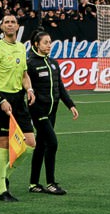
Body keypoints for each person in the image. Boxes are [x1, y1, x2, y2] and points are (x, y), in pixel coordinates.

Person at [25, 29, 78, 195]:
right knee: (52, 143)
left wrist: (70, 105)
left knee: (41, 145)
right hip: (38, 110)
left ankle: (33, 183)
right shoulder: (30, 64)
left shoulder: (54, 63)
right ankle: (50, 183)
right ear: (36, 44)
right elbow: (26, 87)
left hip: (52, 110)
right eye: (45, 42)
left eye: (50, 42)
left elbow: (60, 87)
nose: (49, 45)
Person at [0, 13, 31, 202]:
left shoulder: (21, 47)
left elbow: (24, 75)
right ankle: (2, 191)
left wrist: (30, 89)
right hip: (2, 97)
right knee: (4, 143)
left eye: (13, 22)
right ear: (2, 27)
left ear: (18, 26)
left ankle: (2, 176)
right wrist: (0, 99)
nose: (10, 25)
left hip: (19, 99)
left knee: (30, 144)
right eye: (7, 22)